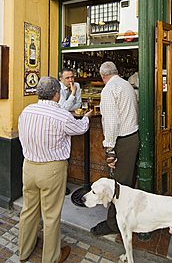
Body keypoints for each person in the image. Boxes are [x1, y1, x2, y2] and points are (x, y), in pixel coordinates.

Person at [18, 76, 93, 263]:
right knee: (51, 215)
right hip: (52, 169)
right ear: (57, 94)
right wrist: (86, 118)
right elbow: (80, 129)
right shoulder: (61, 115)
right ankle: (51, 258)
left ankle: (23, 252)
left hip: (28, 166)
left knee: (28, 210)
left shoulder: (26, 111)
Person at [90, 61, 139, 236]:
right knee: (128, 183)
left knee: (118, 186)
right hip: (133, 137)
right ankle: (127, 217)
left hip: (122, 141)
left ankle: (113, 224)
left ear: (103, 76)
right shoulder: (127, 85)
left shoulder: (109, 90)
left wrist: (109, 149)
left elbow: (111, 122)